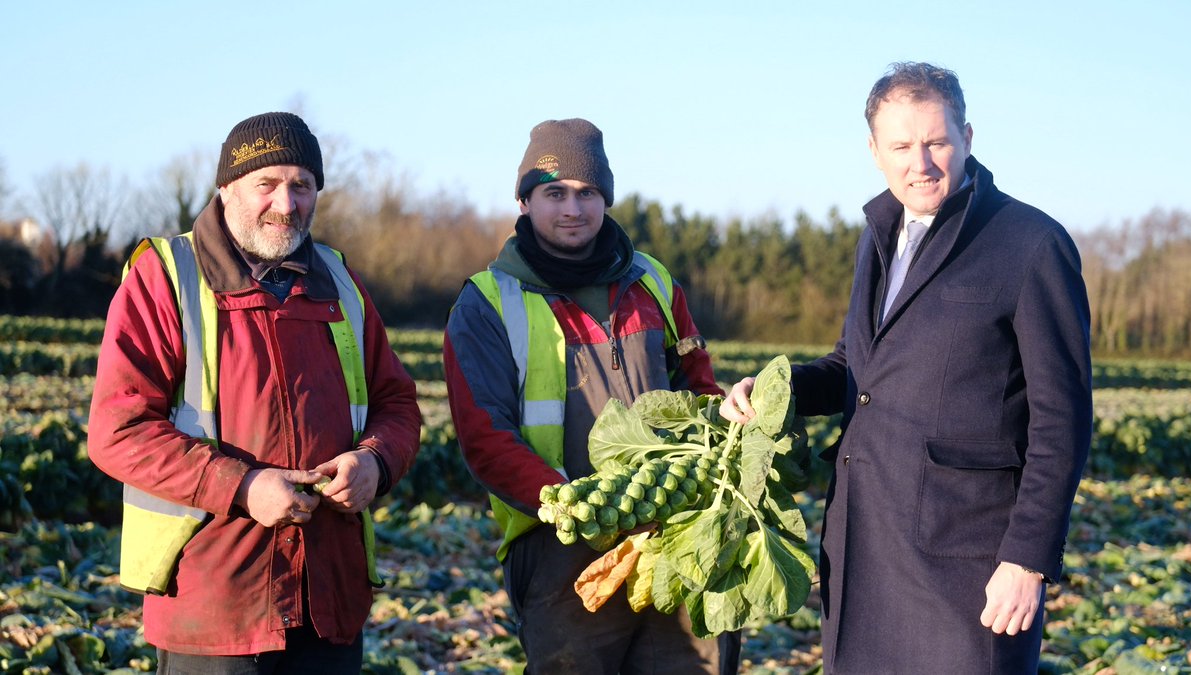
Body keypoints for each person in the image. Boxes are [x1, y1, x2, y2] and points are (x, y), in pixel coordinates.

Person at [721, 62, 1092, 674]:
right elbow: (856, 367)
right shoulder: (879, 234)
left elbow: (1064, 418)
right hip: (864, 545)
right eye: (900, 146)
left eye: (936, 141)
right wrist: (773, 390)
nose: (919, 163)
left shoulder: (1031, 244)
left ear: (967, 138)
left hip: (969, 565)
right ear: (873, 151)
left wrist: (1027, 560)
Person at [88, 111, 422, 673]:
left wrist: (375, 462)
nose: (286, 203)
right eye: (265, 184)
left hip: (330, 603)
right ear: (226, 188)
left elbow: (397, 404)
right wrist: (242, 486)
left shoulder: (341, 282)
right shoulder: (165, 277)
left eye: (302, 185)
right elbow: (117, 431)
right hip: (215, 609)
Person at [443, 118, 736, 674]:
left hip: (674, 537)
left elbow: (697, 388)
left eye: (587, 193)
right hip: (561, 549)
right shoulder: (486, 303)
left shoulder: (652, 281)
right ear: (525, 202)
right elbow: (485, 438)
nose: (572, 208)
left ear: (606, 200)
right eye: (554, 193)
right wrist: (576, 508)